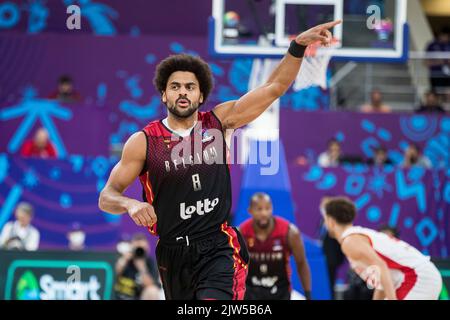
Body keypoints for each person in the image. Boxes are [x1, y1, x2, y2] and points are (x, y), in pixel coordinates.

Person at [98, 20, 341, 300]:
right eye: (175, 86)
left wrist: (297, 46)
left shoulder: (219, 122)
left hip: (218, 246)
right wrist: (130, 203)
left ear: (201, 94)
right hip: (172, 252)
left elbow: (273, 87)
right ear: (164, 94)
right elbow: (106, 196)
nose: (183, 92)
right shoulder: (143, 141)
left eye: (190, 87)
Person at [322, 197, 442, 300]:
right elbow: (382, 283)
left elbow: (381, 266)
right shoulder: (355, 236)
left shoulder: (349, 241)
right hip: (422, 275)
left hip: (416, 277)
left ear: (331, 221)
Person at [239, 193, 312, 300]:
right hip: (251, 292)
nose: (264, 213)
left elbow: (301, 263)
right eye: (259, 209)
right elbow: (237, 268)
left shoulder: (290, 232)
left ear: (272, 209)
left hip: (281, 292)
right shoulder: (242, 232)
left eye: (267, 208)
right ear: (250, 211)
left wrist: (308, 294)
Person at [114, 233, 162, 300]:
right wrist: (125, 258)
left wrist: (141, 268)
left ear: (147, 248)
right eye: (137, 248)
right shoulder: (125, 259)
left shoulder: (150, 262)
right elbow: (116, 272)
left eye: (141, 249)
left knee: (152, 291)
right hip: (122, 296)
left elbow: (151, 285)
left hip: (139, 297)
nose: (138, 251)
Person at [425, 28, 450, 94]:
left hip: (448, 74)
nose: (446, 38)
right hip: (436, 74)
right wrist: (439, 62)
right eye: (444, 36)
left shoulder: (448, 45)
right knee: (437, 92)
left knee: (447, 92)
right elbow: (426, 62)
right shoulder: (432, 45)